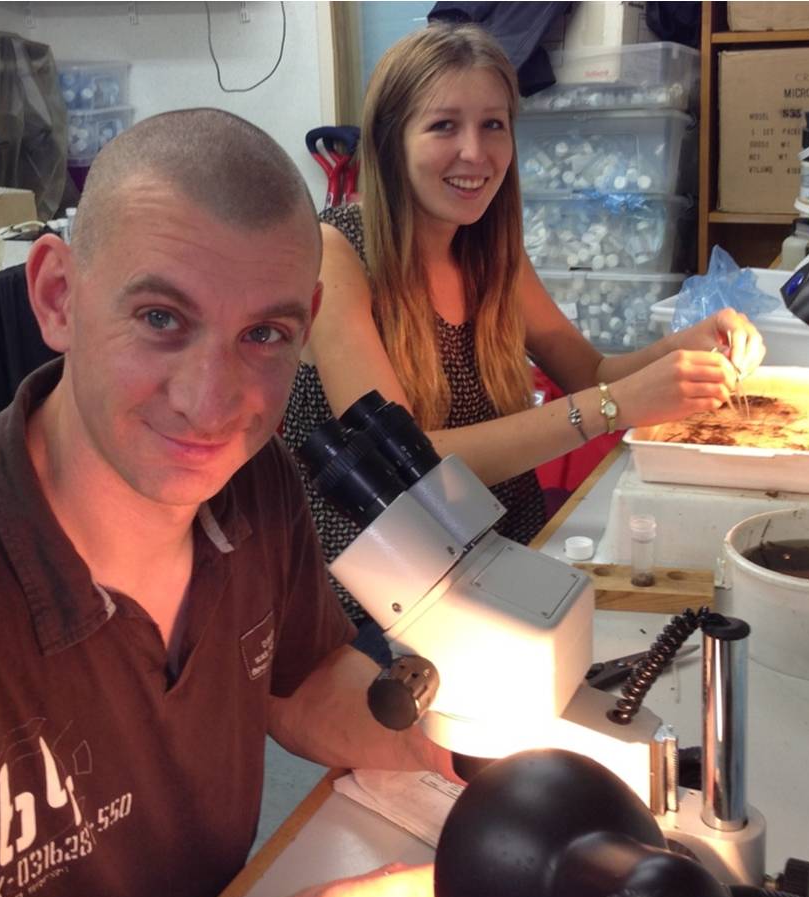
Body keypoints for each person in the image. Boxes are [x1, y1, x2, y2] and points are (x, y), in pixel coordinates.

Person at [0, 108, 456, 897]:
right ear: (57, 297)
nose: (214, 402)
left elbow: (301, 676)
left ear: (307, 327)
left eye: (263, 335)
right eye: (160, 319)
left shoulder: (258, 485)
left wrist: (450, 740)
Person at [284, 22, 766, 656]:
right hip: (384, 598)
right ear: (389, 141)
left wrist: (684, 348)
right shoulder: (335, 254)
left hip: (504, 557)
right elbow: (410, 467)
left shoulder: (490, 252)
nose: (475, 154)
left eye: (493, 125)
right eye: (443, 126)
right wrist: (617, 407)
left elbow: (589, 370)